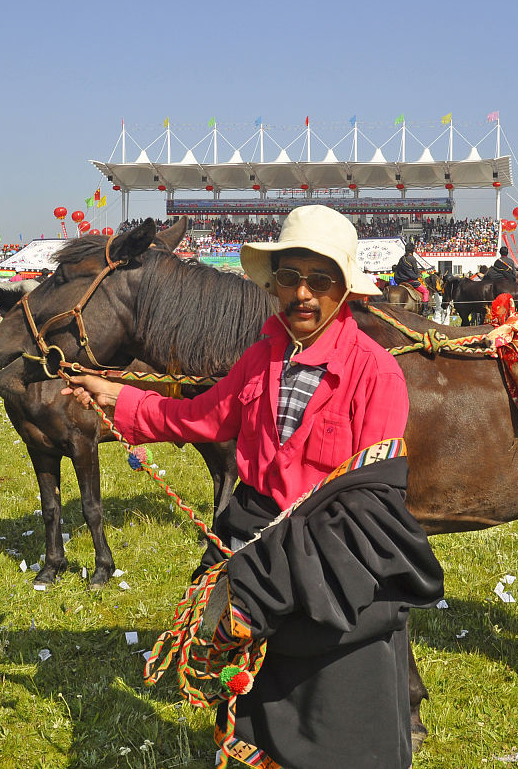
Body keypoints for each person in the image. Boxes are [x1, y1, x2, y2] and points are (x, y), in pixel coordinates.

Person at [64, 205, 444, 768]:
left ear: (346, 289)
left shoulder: (376, 372)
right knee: (261, 699)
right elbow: (201, 416)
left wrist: (284, 573)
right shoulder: (262, 358)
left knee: (334, 711)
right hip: (261, 541)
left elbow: (371, 497)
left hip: (332, 564)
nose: (303, 294)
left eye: (321, 280)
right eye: (290, 278)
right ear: (274, 286)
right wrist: (117, 397)